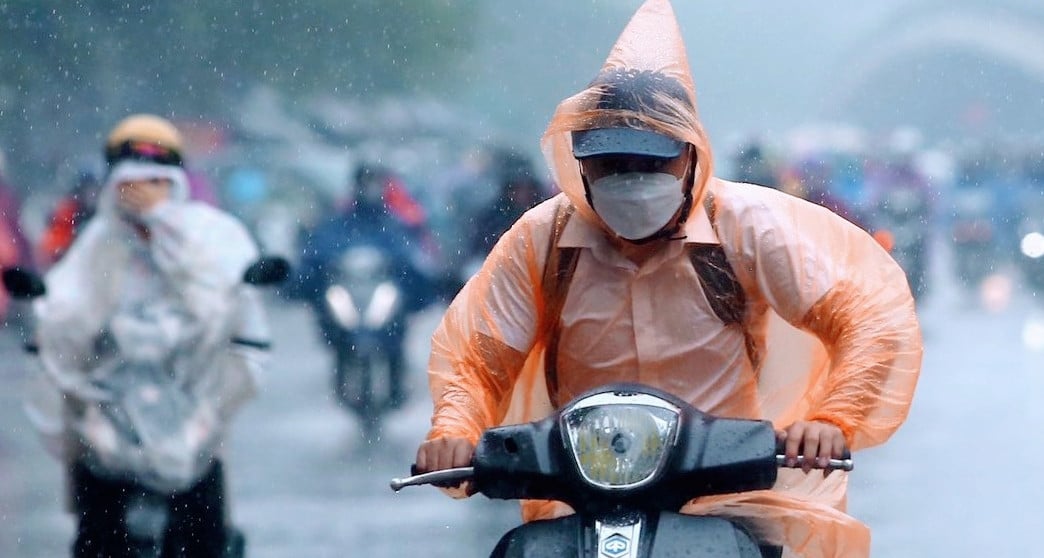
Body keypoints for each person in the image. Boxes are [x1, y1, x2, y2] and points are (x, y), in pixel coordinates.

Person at [413, 2, 922, 557]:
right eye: (611, 165)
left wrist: (831, 418)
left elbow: (864, 319)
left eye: (651, 162)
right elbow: (478, 360)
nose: (631, 180)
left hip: (726, 494)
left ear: (690, 158)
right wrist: (453, 432)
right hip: (580, 492)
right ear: (581, 165)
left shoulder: (744, 230)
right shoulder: (542, 239)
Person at [28, 114, 269, 557]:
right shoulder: (97, 246)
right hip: (113, 407)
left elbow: (226, 299)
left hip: (186, 399)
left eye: (157, 182)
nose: (144, 195)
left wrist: (165, 231)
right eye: (133, 184)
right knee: (95, 535)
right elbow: (67, 312)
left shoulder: (208, 238)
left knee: (205, 532)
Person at [290, 163, 435, 407]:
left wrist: (424, 279)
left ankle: (397, 378)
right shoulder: (339, 222)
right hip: (348, 291)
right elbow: (317, 252)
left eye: (374, 183)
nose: (370, 189)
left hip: (383, 292)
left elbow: (412, 256)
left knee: (397, 325)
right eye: (365, 183)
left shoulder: (393, 222)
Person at [36, 168, 103, 268]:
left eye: (95, 190)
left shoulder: (94, 213)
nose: (93, 195)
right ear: (81, 190)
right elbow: (53, 247)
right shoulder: (68, 210)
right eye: (89, 190)